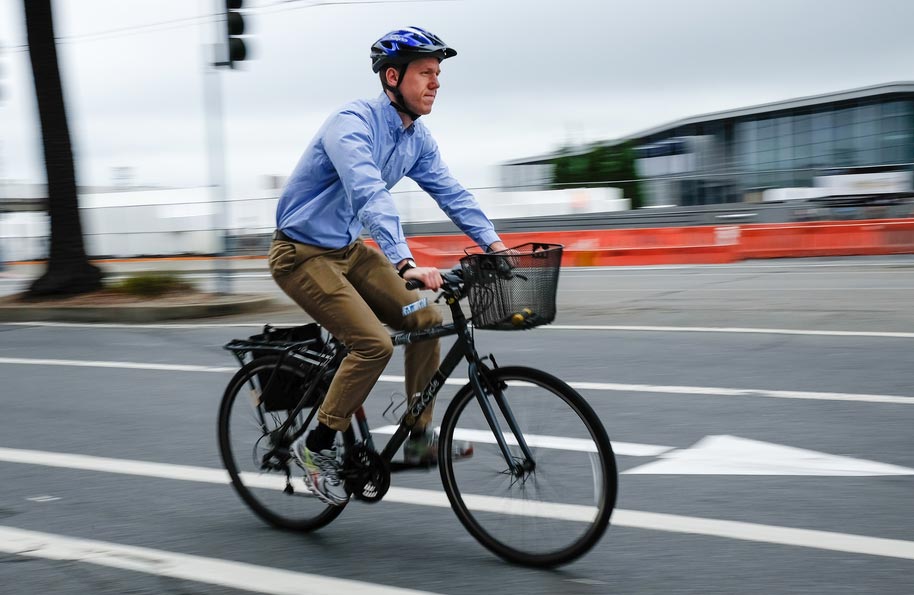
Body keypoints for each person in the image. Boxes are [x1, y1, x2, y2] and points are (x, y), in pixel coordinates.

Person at [269, 26, 507, 506]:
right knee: (373, 344)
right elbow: (367, 191)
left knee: (424, 317)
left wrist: (494, 245)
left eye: (438, 74)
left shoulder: (415, 137)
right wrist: (404, 261)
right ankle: (316, 447)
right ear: (392, 77)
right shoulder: (351, 125)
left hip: (349, 249)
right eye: (425, 73)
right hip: (300, 252)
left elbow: (450, 192)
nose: (435, 83)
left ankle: (419, 435)